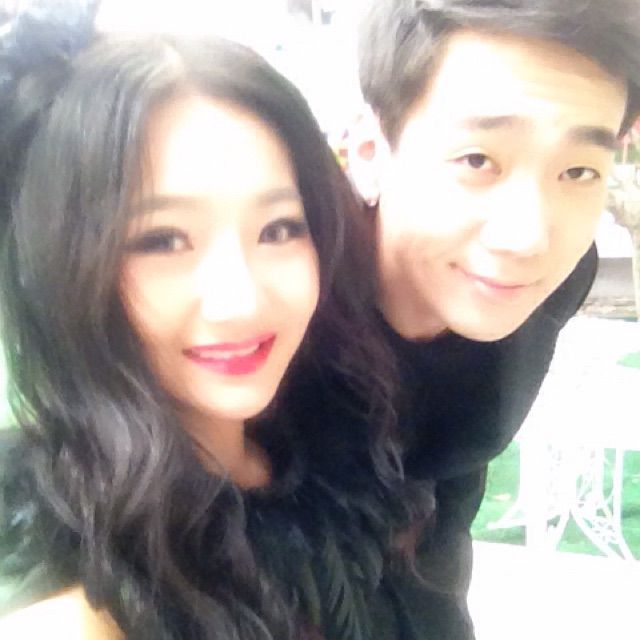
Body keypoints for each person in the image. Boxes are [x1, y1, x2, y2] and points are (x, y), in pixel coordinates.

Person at [0, 8, 433, 639]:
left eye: (279, 229)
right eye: (162, 240)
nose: (241, 301)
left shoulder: (327, 447)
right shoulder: (80, 606)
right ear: (61, 262)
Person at [347, 0, 640, 637]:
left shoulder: (555, 280)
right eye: (478, 160)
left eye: (578, 170)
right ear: (369, 152)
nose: (528, 237)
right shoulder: (276, 325)